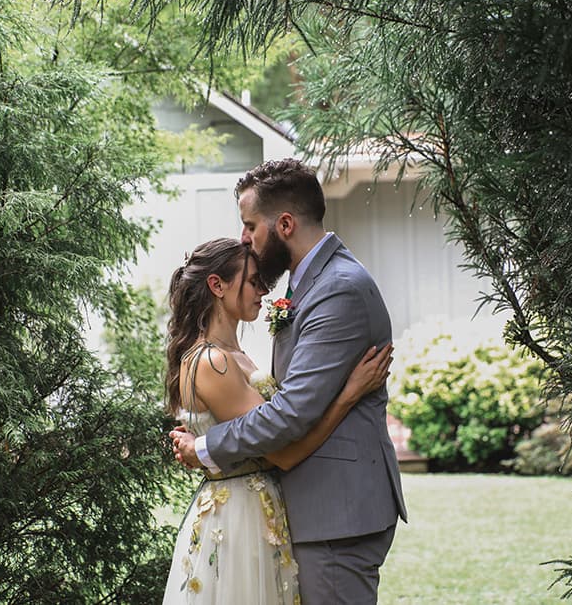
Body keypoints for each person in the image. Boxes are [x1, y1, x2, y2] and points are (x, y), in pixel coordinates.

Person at [172, 159, 408, 605]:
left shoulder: (337, 288)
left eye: (249, 226)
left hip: (336, 513)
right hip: (308, 510)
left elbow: (291, 412)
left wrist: (204, 447)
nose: (245, 239)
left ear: (283, 223)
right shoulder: (309, 285)